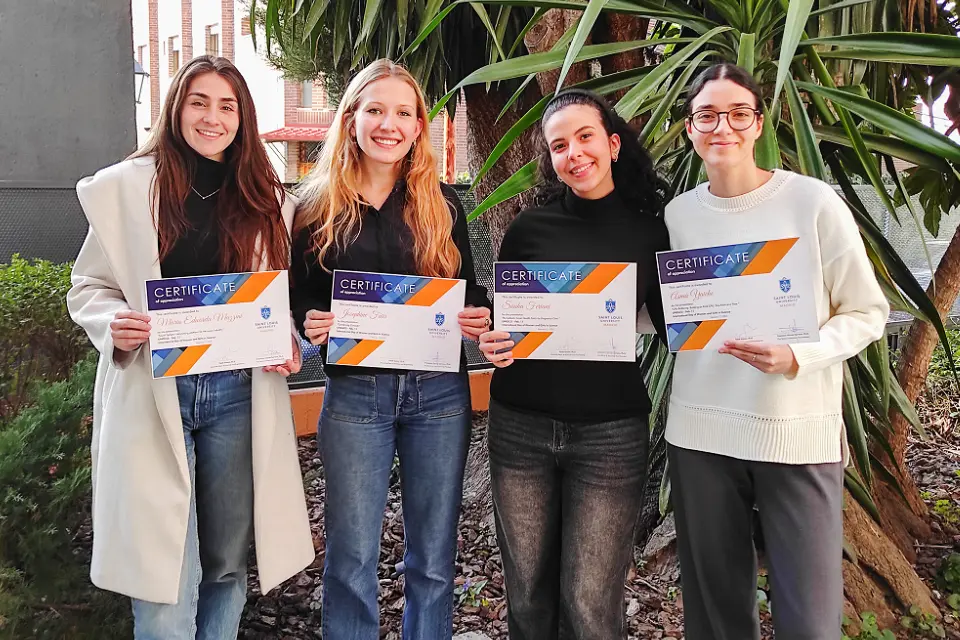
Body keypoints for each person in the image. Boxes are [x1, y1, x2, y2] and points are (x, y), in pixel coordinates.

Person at [67, 55, 314, 640]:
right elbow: (88, 287)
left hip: (237, 394)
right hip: (156, 393)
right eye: (199, 102)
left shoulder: (265, 198)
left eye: (227, 106)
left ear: (243, 118)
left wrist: (289, 342)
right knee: (163, 565)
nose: (212, 117)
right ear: (176, 108)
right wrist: (114, 323)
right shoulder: (127, 190)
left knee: (227, 561)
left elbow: (269, 303)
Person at [664, 62, 890, 640]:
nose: (723, 127)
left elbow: (868, 312)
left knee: (811, 621)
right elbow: (663, 308)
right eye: (707, 115)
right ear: (690, 127)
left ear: (759, 123)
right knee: (714, 618)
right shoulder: (678, 215)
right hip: (700, 434)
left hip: (796, 432)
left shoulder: (812, 203)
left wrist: (799, 355)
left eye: (738, 113)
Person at [289, 59, 491, 640]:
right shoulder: (312, 208)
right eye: (375, 110)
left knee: (433, 556)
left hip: (439, 395)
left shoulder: (442, 204)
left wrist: (477, 314)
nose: (389, 124)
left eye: (404, 112)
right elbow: (298, 298)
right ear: (350, 119)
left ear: (419, 125)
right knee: (350, 557)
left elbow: (466, 292)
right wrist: (311, 321)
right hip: (355, 394)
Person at [477, 89, 670, 640]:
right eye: (559, 145)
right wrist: (493, 342)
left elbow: (675, 322)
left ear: (612, 144)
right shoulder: (528, 230)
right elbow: (505, 322)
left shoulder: (650, 230)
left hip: (610, 437)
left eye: (585, 137)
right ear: (551, 159)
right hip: (519, 428)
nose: (574, 153)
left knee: (590, 602)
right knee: (529, 596)